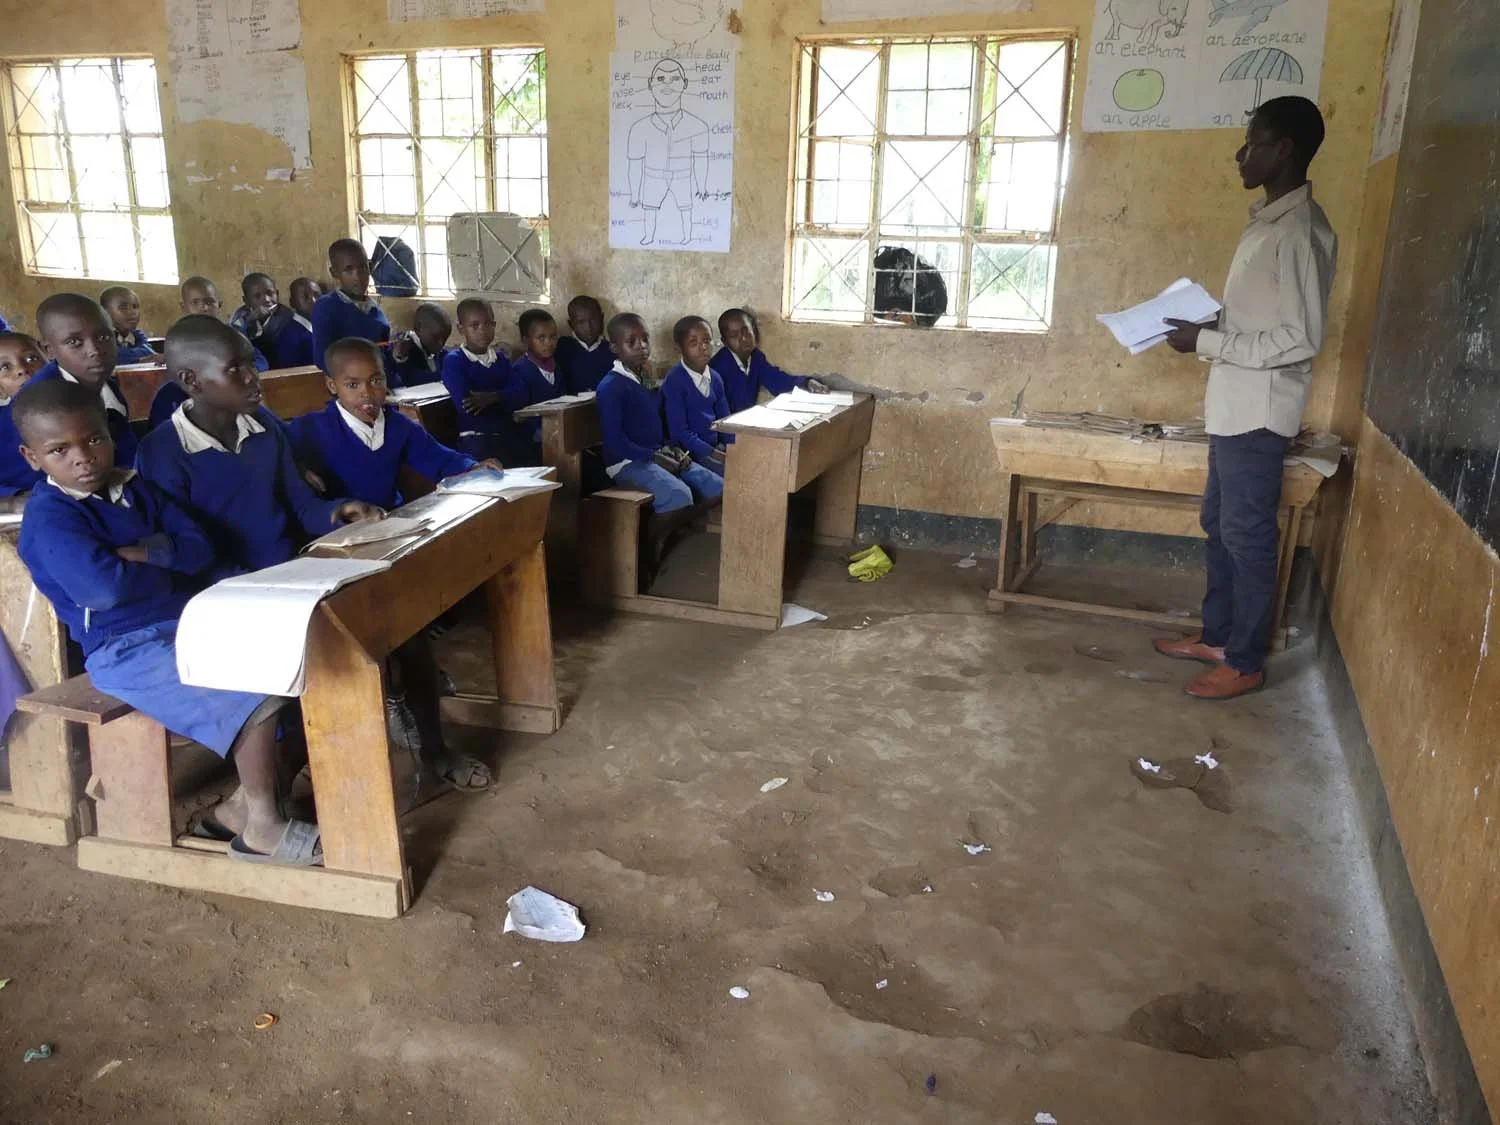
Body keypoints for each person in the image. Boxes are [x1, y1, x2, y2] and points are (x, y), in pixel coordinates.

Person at [12, 378, 319, 864]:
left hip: (186, 621)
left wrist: (137, 555)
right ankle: (263, 828)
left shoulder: (134, 488)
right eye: (59, 449)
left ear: (110, 433)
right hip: (124, 649)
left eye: (93, 439)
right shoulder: (52, 517)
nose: (83, 457)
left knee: (301, 667)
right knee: (253, 690)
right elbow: (103, 591)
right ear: (33, 458)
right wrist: (166, 565)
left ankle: (243, 807)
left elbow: (199, 548)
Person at [1156, 95, 1337, 701]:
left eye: (1254, 142)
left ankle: (1244, 660)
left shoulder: (1302, 232)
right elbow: (1264, 319)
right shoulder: (1267, 222)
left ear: (1284, 150)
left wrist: (1207, 339)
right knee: (1220, 524)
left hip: (1259, 413)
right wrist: (1212, 324)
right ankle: (1218, 636)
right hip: (1232, 404)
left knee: (1249, 535)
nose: (1242, 153)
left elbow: (1300, 337)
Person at [282, 336, 494, 791]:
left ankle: (431, 744)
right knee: (358, 652)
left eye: (376, 381)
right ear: (331, 386)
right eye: (353, 385)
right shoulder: (310, 430)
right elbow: (276, 455)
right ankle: (354, 756)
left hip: (385, 546)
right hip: (332, 556)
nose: (367, 394)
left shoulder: (396, 426)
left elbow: (439, 459)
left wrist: (473, 467)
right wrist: (298, 471)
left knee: (413, 638)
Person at [134, 316, 381, 575]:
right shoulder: (162, 453)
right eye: (234, 369)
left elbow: (302, 505)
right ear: (191, 380)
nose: (253, 377)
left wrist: (338, 512)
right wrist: (260, 583)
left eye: (251, 364)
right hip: (224, 590)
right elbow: (186, 552)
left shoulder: (263, 425)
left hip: (288, 568)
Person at [597, 313, 722, 565]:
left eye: (645, 339)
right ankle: (647, 546)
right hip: (626, 461)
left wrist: (670, 450)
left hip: (655, 453)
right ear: (614, 348)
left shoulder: (645, 379)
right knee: (679, 495)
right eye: (631, 341)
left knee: (718, 487)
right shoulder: (611, 387)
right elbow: (614, 443)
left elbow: (655, 428)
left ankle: (670, 530)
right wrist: (654, 456)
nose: (642, 346)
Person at [27, 293, 136, 468]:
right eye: (75, 341)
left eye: (103, 337)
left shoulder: (108, 386)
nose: (94, 350)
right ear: (49, 350)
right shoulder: (39, 406)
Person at [440, 298, 532, 465]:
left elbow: (522, 394)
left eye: (488, 324)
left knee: (532, 458)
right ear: (461, 329)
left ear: (494, 325)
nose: (482, 330)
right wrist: (505, 399)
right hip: (475, 438)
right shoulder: (454, 361)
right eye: (474, 325)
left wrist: (491, 398)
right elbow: (467, 407)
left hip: (505, 435)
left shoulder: (501, 359)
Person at [710, 308, 824, 413]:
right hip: (724, 428)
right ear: (725, 341)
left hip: (742, 424)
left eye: (746, 331)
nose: (743, 338)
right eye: (734, 335)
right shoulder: (717, 369)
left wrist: (806, 382)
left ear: (754, 331)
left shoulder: (756, 359)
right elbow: (715, 411)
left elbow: (778, 381)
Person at [662, 315, 730, 473]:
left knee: (750, 463)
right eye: (693, 343)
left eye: (707, 340)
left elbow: (726, 422)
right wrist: (716, 454)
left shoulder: (715, 378)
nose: (703, 347)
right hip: (690, 453)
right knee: (733, 475)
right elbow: (680, 432)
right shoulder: (675, 381)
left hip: (716, 448)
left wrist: (733, 447)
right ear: (679, 348)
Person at [310, 239, 392, 370]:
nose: (358, 277)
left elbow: (385, 353)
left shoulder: (374, 310)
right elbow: (323, 359)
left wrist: (398, 352)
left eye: (363, 268)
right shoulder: (326, 307)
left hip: (382, 383)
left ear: (370, 267)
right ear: (334, 273)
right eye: (349, 270)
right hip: (352, 385)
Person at [180, 276, 270, 371]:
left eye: (210, 302)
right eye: (195, 302)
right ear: (183, 307)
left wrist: (241, 371)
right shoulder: (178, 340)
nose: (205, 308)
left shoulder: (231, 335)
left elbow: (261, 362)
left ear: (219, 305)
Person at [232, 273, 314, 370]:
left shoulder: (290, 321)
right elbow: (234, 333)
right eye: (257, 296)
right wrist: (249, 320)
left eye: (270, 293)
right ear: (246, 300)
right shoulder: (241, 317)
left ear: (277, 294)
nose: (267, 300)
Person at [0, 331, 47, 496]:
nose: (22, 370)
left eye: (31, 359)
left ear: (49, 359)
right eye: (5, 367)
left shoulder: (85, 408)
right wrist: (16, 494)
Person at [555, 295, 614, 393]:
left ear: (602, 318)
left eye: (593, 320)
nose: (588, 327)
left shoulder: (612, 351)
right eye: (581, 322)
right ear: (571, 324)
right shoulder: (561, 348)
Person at [388, 302, 452, 387]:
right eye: (435, 337)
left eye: (445, 338)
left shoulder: (440, 353)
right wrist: (400, 358)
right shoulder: (403, 349)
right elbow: (411, 380)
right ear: (418, 328)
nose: (441, 344)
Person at [100, 286, 155, 365]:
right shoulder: (101, 339)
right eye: (123, 307)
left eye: (135, 307)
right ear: (105, 312)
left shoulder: (137, 336)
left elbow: (148, 351)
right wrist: (140, 359)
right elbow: (114, 356)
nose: (132, 312)